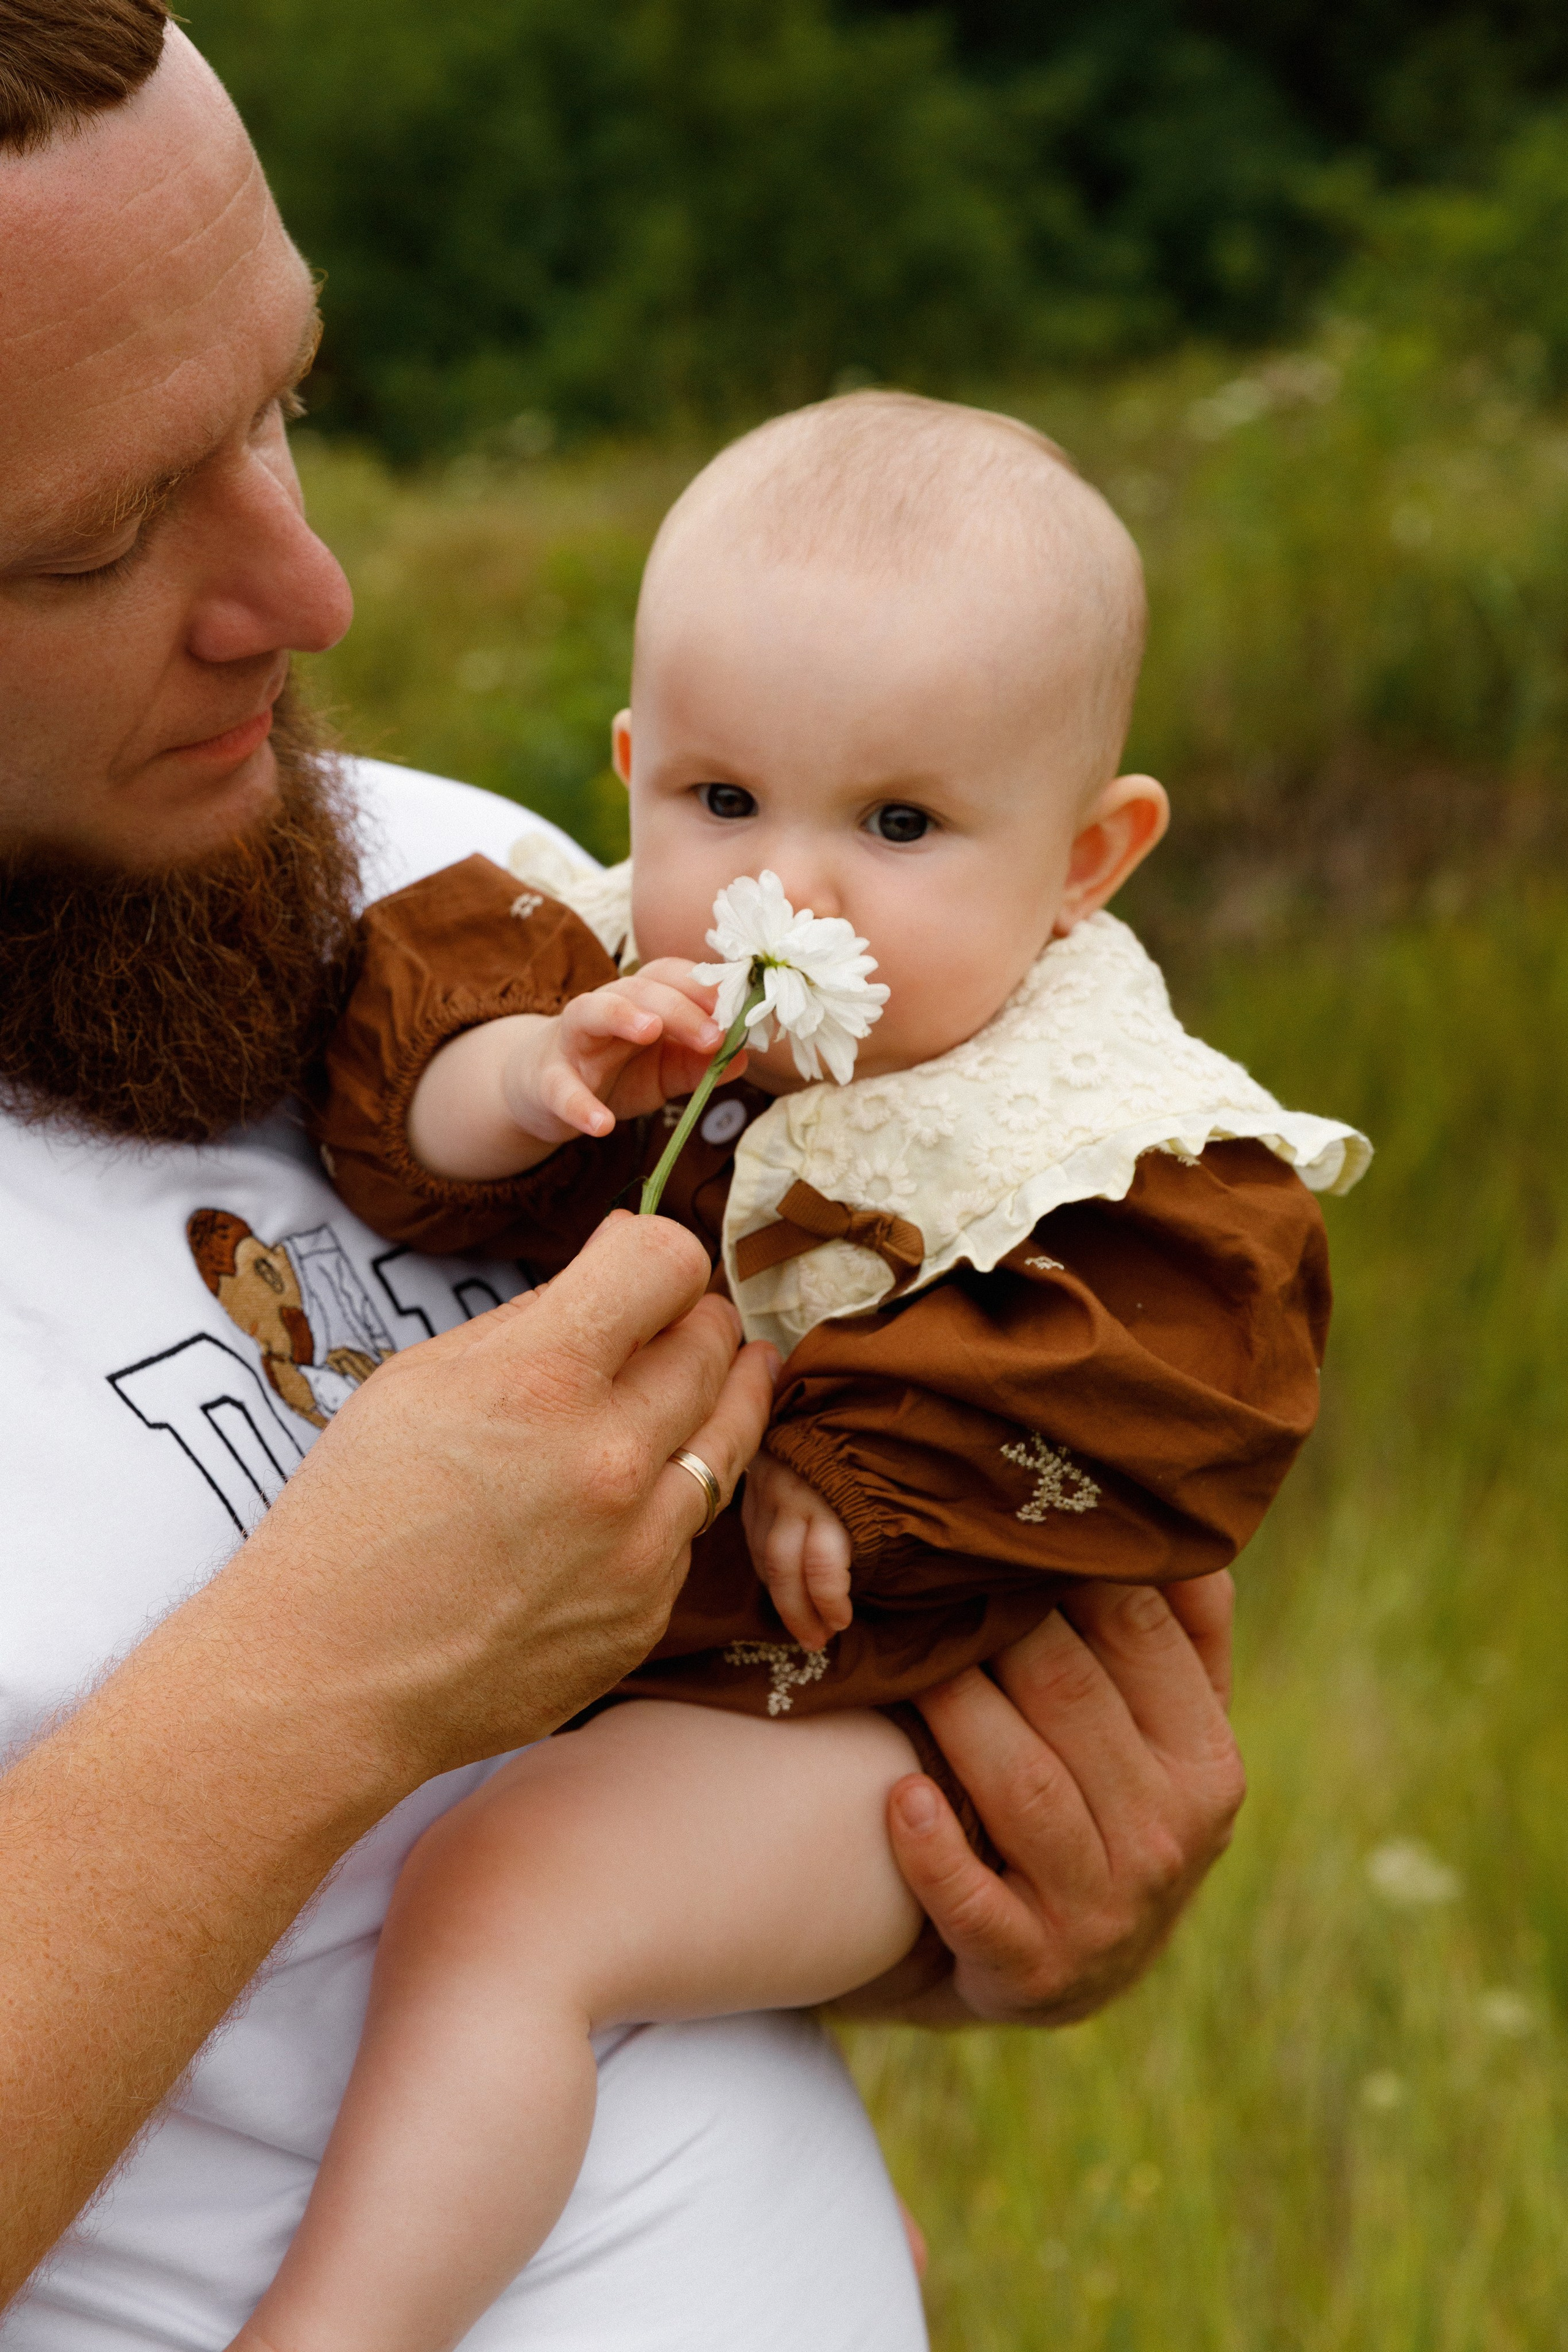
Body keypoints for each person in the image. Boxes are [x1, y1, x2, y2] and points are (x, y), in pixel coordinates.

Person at [0, 8, 1248, 2344]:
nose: (311, 592)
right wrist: (328, 1674)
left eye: (282, 404)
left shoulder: (477, 910)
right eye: (87, 537)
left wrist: (1004, 1896)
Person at [229, 396, 1366, 2351]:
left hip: (877, 1705)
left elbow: (1156, 1391)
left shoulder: (1106, 1133)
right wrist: (539, 1078)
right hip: (661, 1689)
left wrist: (826, 1465)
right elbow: (398, 1111)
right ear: (631, 770)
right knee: (515, 1895)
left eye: (903, 825)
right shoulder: (590, 950)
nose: (796, 896)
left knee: (511, 1901)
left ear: (1091, 857)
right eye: (724, 803)